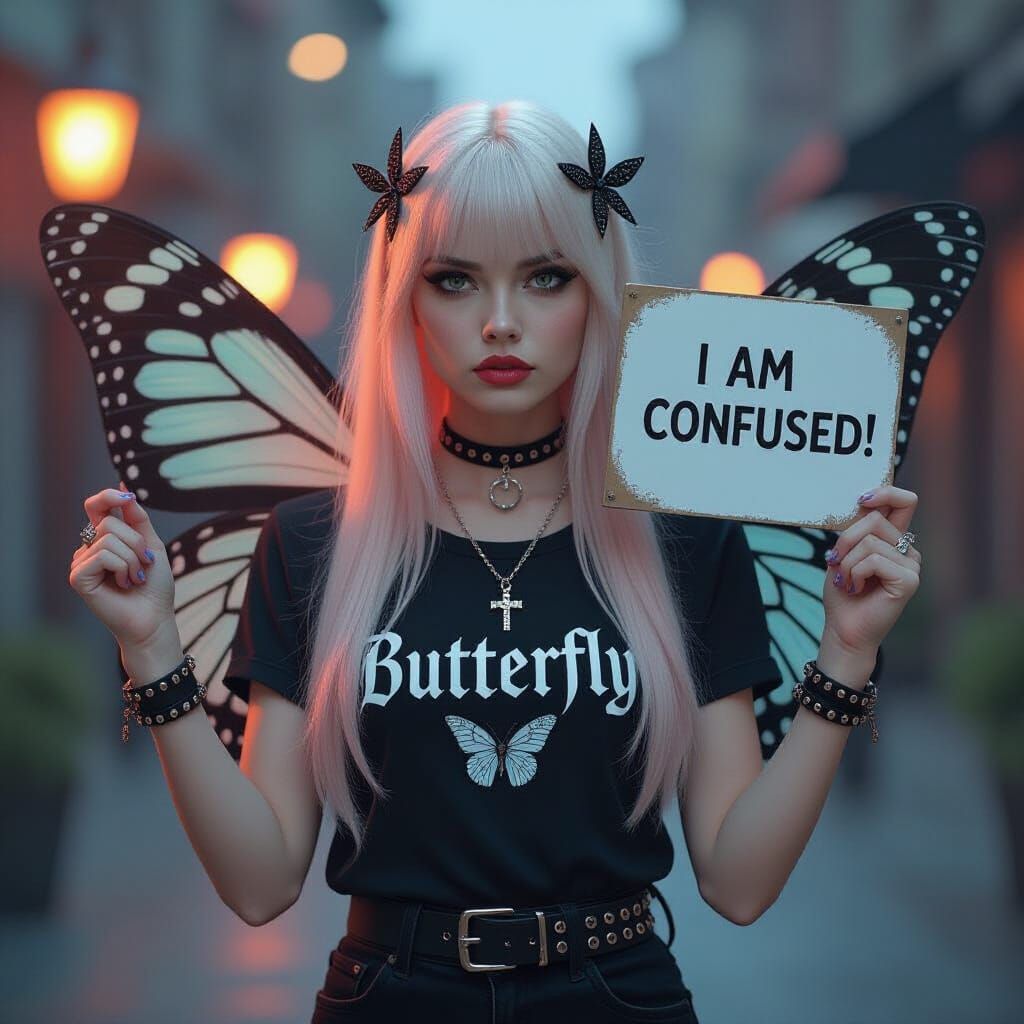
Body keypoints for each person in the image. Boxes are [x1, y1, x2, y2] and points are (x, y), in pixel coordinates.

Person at [69, 100, 922, 1024]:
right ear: (406, 297)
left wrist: (846, 654)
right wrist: (153, 651)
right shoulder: (317, 543)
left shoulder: (684, 541)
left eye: (547, 278)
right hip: (387, 996)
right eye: (456, 280)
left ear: (598, 288)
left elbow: (740, 882)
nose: (502, 321)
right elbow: (261, 883)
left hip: (616, 995)